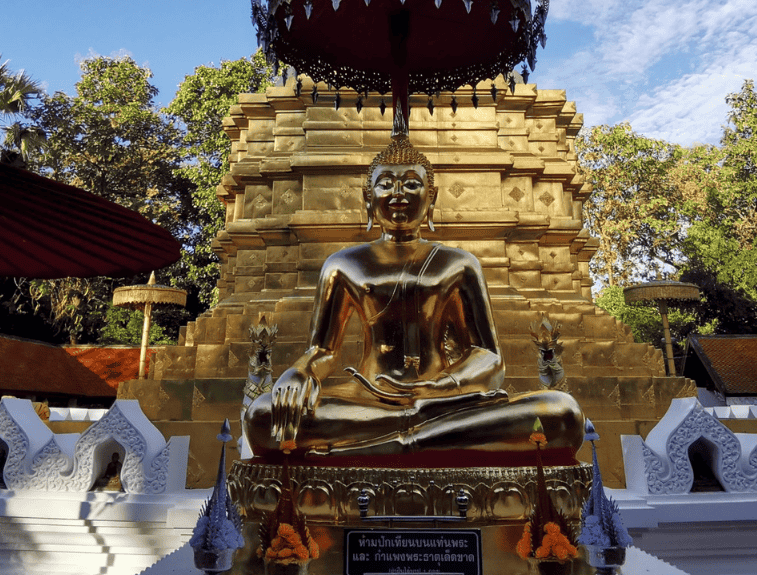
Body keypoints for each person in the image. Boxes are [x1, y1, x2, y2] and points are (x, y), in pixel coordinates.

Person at [245, 135, 584, 461]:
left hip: (445, 399)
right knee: (262, 416)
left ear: (431, 196)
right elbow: (323, 351)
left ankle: (400, 440)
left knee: (562, 412)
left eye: (410, 183)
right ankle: (419, 435)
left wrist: (440, 387)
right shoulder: (343, 265)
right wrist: (300, 371)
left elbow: (488, 357)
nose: (398, 193)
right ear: (367, 196)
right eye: (385, 184)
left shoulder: (459, 264)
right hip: (368, 401)